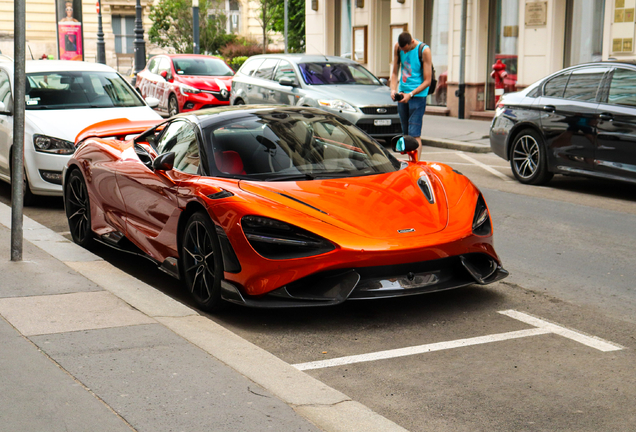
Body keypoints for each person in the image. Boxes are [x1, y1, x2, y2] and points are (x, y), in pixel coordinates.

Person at [390, 32, 432, 155]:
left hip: (417, 97)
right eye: (403, 50)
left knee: (414, 134)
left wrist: (411, 94)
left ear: (412, 42)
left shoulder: (424, 50)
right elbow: (394, 73)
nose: (405, 53)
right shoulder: (398, 47)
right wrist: (393, 89)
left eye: (406, 50)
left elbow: (427, 81)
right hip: (403, 94)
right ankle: (410, 165)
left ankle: (416, 166)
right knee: (406, 135)